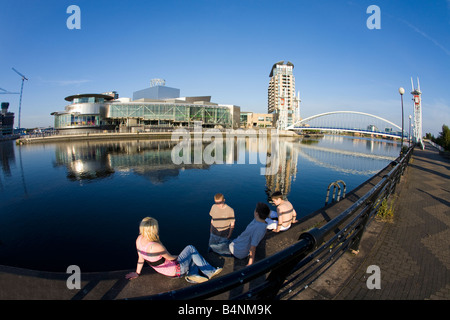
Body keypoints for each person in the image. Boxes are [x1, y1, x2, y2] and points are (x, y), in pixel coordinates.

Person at [125, 217, 222, 283]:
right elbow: (172, 258)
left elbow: (140, 259)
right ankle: (209, 271)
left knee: (191, 257)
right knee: (191, 249)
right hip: (176, 271)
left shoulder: (139, 240)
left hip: (165, 272)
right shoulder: (156, 246)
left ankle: (193, 274)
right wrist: (178, 256)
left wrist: (137, 273)